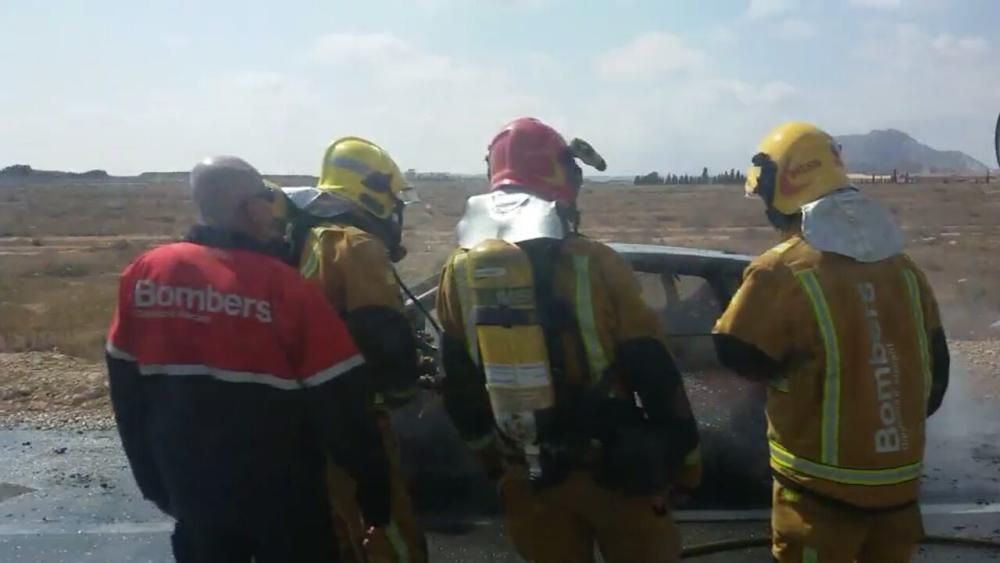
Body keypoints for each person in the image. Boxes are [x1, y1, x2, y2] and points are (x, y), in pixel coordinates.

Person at [435, 117, 702, 563]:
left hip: (528, 476)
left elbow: (457, 381)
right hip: (614, 470)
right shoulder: (596, 264)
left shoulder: (458, 272)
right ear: (560, 183)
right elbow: (653, 370)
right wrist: (685, 463)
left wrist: (494, 463)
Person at [105, 156, 392, 563]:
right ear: (250, 208)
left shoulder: (146, 272)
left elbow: (125, 391)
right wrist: (374, 490)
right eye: (265, 199)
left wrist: (151, 479)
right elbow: (342, 402)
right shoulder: (286, 288)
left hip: (191, 491)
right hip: (284, 500)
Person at [712, 122, 950, 563]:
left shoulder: (779, 271)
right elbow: (935, 377)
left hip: (819, 501)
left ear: (783, 189)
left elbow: (735, 351)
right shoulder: (904, 270)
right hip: (898, 494)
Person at [272, 137, 427, 563]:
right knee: (385, 531)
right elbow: (383, 336)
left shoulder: (300, 237)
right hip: (348, 417)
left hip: (290, 419)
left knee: (331, 529)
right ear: (374, 192)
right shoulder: (354, 245)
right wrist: (401, 395)